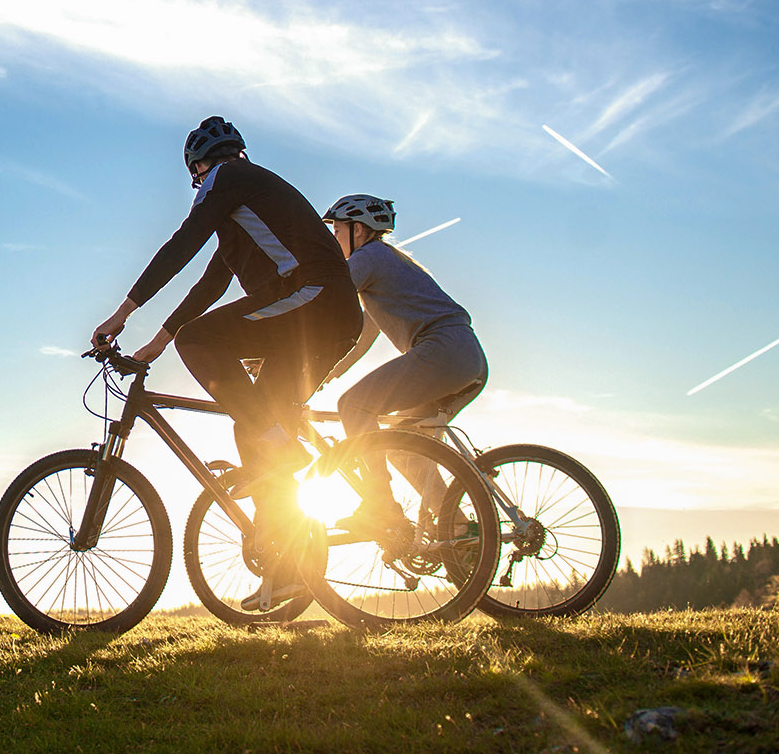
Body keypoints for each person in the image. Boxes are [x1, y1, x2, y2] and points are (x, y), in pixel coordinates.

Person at [92, 117, 362, 605]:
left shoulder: (226, 179)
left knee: (202, 345)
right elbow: (211, 282)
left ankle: (282, 446)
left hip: (314, 299)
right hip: (325, 314)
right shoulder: (246, 210)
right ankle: (289, 570)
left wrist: (122, 313)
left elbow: (182, 243)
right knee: (251, 428)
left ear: (199, 168)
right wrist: (155, 344)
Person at [319, 193, 488, 534]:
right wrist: (326, 372)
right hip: (466, 358)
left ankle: (379, 505)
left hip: (442, 350)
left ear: (360, 231)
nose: (333, 240)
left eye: (337, 231)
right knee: (401, 447)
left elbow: (325, 301)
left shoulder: (369, 257)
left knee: (354, 406)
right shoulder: (384, 265)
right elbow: (362, 336)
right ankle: (458, 531)